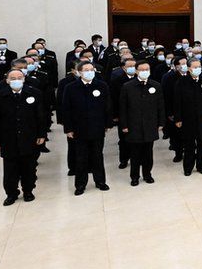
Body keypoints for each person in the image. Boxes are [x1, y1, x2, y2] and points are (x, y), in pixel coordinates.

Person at [0, 69, 48, 205]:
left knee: (28, 167)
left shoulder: (35, 93)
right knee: (10, 168)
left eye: (19, 77)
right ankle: (11, 193)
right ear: (7, 80)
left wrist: (42, 134)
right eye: (13, 78)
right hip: (8, 138)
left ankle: (28, 191)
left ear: (24, 79)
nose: (16, 80)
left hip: (29, 136)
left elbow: (41, 116)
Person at [61, 61, 112, 194]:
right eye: (86, 70)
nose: (90, 72)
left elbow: (107, 106)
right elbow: (66, 109)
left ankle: (100, 181)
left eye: (92, 69)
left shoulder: (102, 85)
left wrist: (107, 124)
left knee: (97, 155)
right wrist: (68, 128)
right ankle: (80, 184)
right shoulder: (71, 87)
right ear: (79, 72)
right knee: (81, 157)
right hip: (79, 128)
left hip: (97, 127)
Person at [119, 61, 164, 186]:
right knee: (135, 153)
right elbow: (122, 108)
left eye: (147, 69)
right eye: (142, 69)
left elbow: (160, 106)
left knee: (148, 153)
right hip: (134, 125)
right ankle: (134, 176)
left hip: (150, 124)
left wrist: (161, 122)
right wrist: (124, 125)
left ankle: (147, 174)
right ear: (137, 71)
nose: (145, 72)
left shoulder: (156, 85)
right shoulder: (128, 86)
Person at [174, 59, 202, 175]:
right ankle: (188, 167)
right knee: (189, 145)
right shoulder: (181, 82)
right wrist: (178, 118)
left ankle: (201, 166)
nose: (198, 69)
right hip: (188, 118)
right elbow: (177, 102)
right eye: (195, 67)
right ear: (188, 68)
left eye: (199, 67)